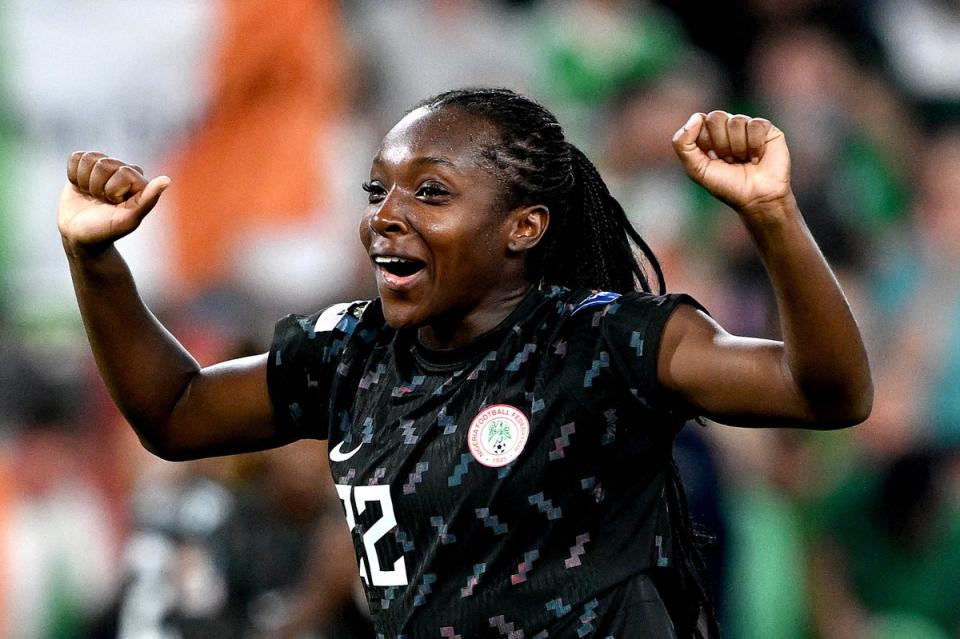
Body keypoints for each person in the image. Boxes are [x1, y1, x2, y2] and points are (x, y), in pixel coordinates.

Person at [58, 88, 872, 638]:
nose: (387, 218)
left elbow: (826, 391)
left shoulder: (608, 342)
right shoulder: (350, 349)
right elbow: (175, 410)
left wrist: (771, 214)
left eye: (431, 194)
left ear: (522, 227)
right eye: (377, 192)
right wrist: (96, 262)